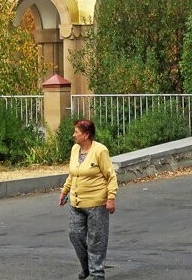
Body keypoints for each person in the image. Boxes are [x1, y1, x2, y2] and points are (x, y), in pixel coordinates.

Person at [59, 119, 118, 280]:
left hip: (96, 203)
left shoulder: (100, 151)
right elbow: (73, 173)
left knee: (96, 239)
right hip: (76, 202)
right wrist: (65, 191)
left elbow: (111, 176)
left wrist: (111, 198)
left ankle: (96, 273)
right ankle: (87, 268)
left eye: (76, 132)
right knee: (75, 235)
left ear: (86, 135)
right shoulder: (75, 149)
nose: (73, 135)